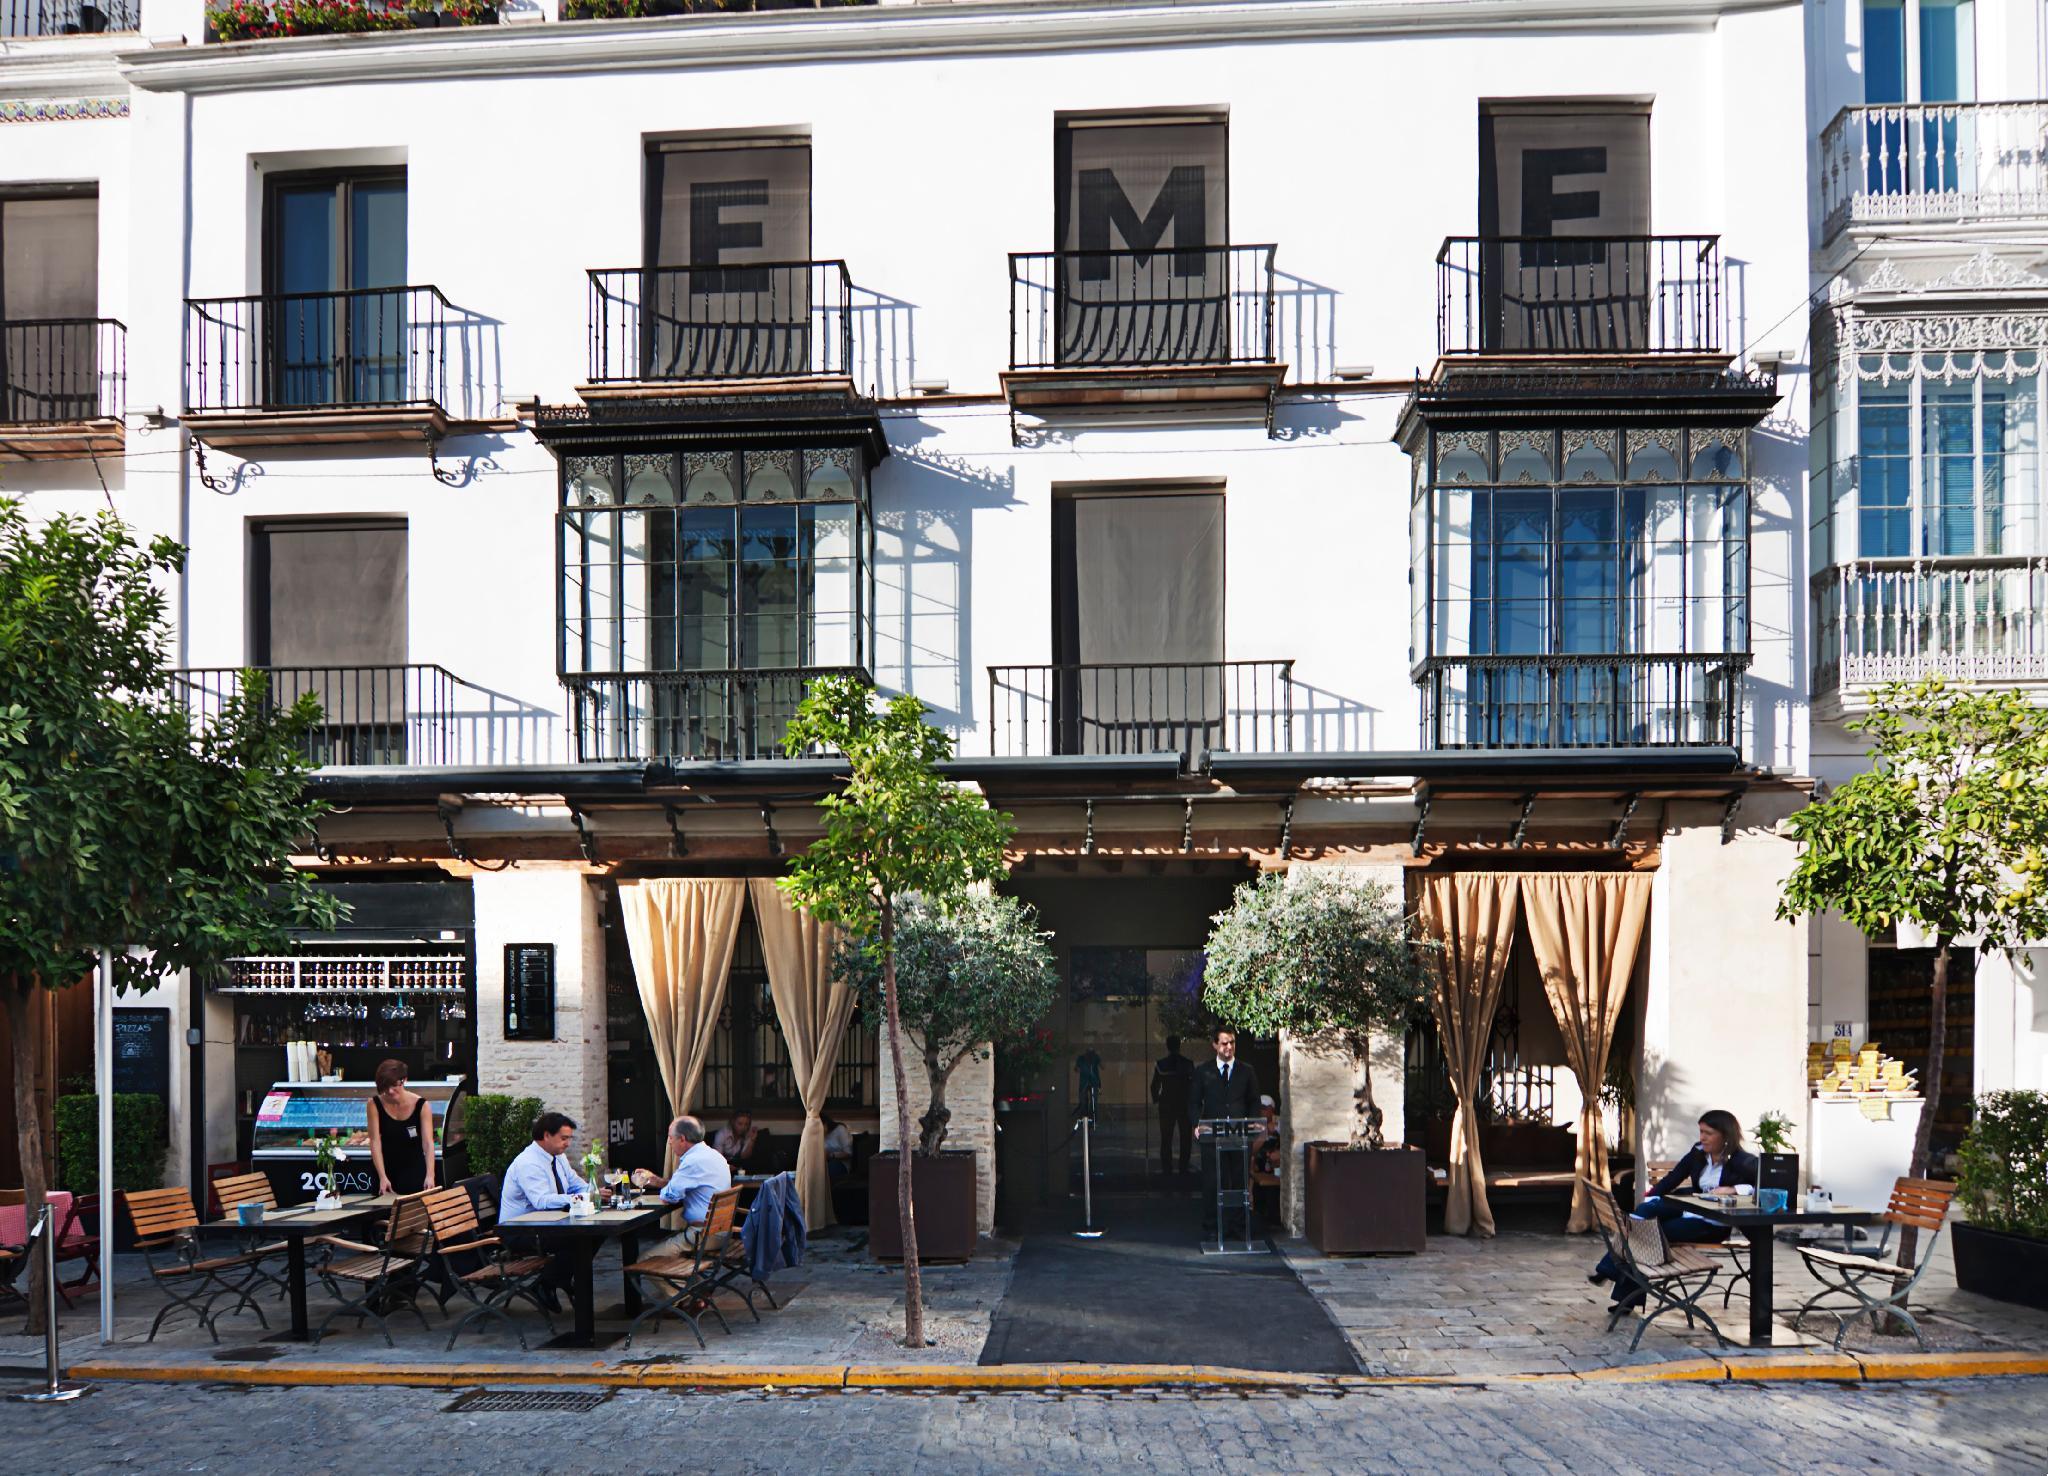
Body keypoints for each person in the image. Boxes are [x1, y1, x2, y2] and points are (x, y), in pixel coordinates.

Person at [1593, 1109, 1760, 1309]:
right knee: (1643, 1216)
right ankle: (1617, 1282)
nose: (1702, 1138)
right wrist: (1651, 1197)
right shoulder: (1698, 1152)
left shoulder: (1742, 1160)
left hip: (1711, 1224)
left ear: (1725, 1135)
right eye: (1701, 1132)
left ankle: (1616, 1281)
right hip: (1691, 1209)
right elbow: (1674, 1177)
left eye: (1708, 1133)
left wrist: (1735, 1189)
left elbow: (1766, 1183)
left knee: (1648, 1235)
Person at [1189, 1026, 1261, 1235]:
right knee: (1213, 1182)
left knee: (1239, 1181)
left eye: (1232, 1042)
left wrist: (1254, 1123)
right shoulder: (1204, 1071)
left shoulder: (1247, 1070)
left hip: (1239, 1135)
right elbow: (1193, 1102)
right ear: (1215, 1045)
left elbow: (1254, 1100)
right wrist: (1197, 1124)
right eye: (1224, 1043)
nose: (1229, 1047)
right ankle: (1212, 1226)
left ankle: (1239, 1226)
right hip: (1213, 1138)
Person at [632, 1115, 733, 1254]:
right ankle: (689, 1276)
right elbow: (690, 1185)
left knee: (645, 1260)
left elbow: (668, 1196)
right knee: (663, 1246)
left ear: (682, 1139)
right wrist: (659, 1181)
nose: (669, 1143)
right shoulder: (712, 1154)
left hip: (703, 1235)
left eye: (670, 1138)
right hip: (721, 1231)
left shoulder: (693, 1161)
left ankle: (688, 1277)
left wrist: (665, 1187)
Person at [501, 1111, 589, 1222]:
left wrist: (593, 1192)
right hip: (521, 1231)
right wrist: (579, 1198)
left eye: (569, 1138)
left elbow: (575, 1184)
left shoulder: (559, 1156)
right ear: (547, 1136)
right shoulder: (528, 1162)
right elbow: (542, 1201)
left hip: (551, 1223)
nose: (568, 1144)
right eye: (564, 1138)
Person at [366, 1058, 436, 1196]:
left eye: (394, 1085)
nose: (390, 1091)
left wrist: (430, 1175)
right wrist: (382, 1176)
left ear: (404, 1080)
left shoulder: (421, 1105)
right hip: (385, 1171)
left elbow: (428, 1143)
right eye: (385, 1087)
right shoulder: (374, 1104)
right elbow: (375, 1141)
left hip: (414, 1170)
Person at [1150, 1035, 1194, 1177]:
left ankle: (1167, 1168)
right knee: (1185, 1137)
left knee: (1166, 1138)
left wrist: (1156, 1100)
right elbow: (1194, 1085)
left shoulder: (1161, 1064)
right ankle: (1183, 1168)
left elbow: (1154, 1085)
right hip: (1184, 1104)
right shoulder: (1188, 1063)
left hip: (1167, 1104)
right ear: (1179, 1046)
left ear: (1167, 1046)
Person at [1251, 1094, 1282, 1177]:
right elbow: (1251, 1151)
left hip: (1275, 1165)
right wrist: (1265, 1132)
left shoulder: (1280, 1122)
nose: (1261, 1111)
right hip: (1258, 1164)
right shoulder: (1253, 1124)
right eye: (1259, 1108)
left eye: (1264, 1108)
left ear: (1272, 1110)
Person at [822, 1115, 854, 1182]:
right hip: (824, 1163)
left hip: (841, 1163)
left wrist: (831, 1155)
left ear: (825, 1124)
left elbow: (849, 1153)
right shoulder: (819, 1135)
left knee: (825, 1172)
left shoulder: (840, 1129)